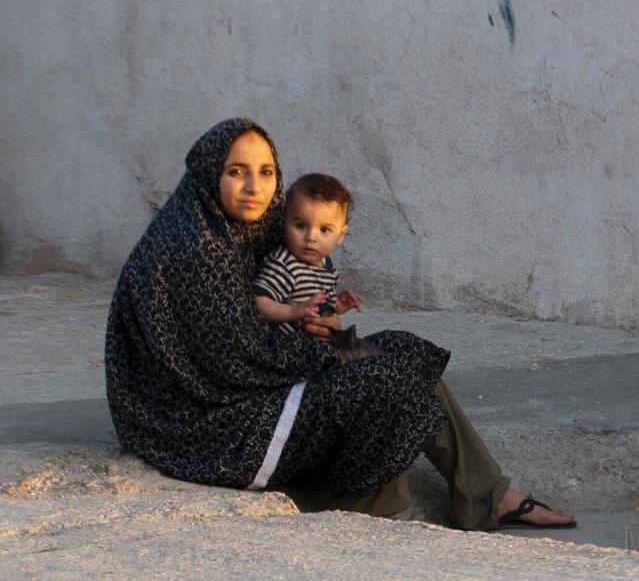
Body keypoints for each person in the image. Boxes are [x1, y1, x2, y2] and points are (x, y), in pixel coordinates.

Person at [105, 118, 575, 530]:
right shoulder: (194, 248)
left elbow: (263, 329)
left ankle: (488, 496)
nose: (254, 187)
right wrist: (328, 350)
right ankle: (382, 514)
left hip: (251, 392)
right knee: (379, 375)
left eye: (266, 173)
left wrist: (326, 332)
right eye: (236, 172)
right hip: (214, 429)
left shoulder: (241, 229)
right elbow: (233, 363)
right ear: (210, 174)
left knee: (400, 351)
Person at [252, 173, 363, 334]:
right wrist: (293, 312)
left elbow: (320, 310)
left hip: (321, 346)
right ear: (285, 223)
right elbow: (258, 302)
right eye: (300, 226)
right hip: (290, 350)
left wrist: (338, 305)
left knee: (400, 342)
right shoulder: (284, 264)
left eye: (324, 229)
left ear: (341, 235)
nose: (310, 237)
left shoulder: (327, 266)